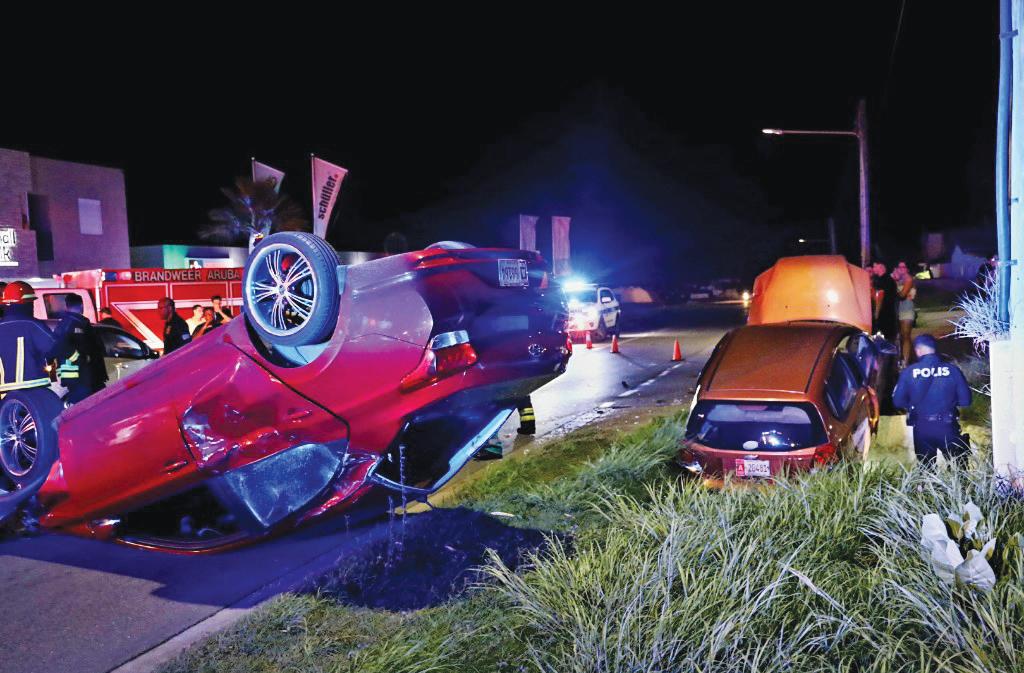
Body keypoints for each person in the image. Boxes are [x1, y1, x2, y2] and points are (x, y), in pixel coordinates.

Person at [892, 334, 972, 469]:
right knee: (959, 470)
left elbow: (898, 402)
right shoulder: (952, 370)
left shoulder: (909, 372)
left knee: (926, 471)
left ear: (918, 350)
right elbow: (966, 401)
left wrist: (914, 404)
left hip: (922, 428)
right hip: (948, 426)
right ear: (934, 349)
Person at [47, 293, 108, 403]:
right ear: (81, 305)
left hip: (87, 375)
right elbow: (58, 347)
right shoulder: (72, 323)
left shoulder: (72, 323)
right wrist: (78, 358)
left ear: (67, 306)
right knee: (84, 406)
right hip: (80, 376)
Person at [0, 282, 54, 393]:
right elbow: (53, 347)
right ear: (25, 304)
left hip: (4, 390)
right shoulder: (33, 325)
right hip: (34, 387)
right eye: (31, 302)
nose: (33, 306)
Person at [893, 261, 916, 368]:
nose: (901, 269)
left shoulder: (909, 279)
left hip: (907, 309)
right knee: (900, 336)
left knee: (906, 335)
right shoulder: (898, 280)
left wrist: (891, 289)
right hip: (898, 310)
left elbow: (902, 295)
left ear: (907, 269)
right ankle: (903, 358)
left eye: (903, 267)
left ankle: (906, 362)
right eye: (899, 267)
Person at [870, 261, 899, 342]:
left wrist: (876, 313)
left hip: (884, 314)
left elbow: (880, 297)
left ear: (881, 267)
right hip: (889, 313)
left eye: (875, 266)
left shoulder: (883, 281)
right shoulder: (889, 280)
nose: (873, 269)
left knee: (884, 338)